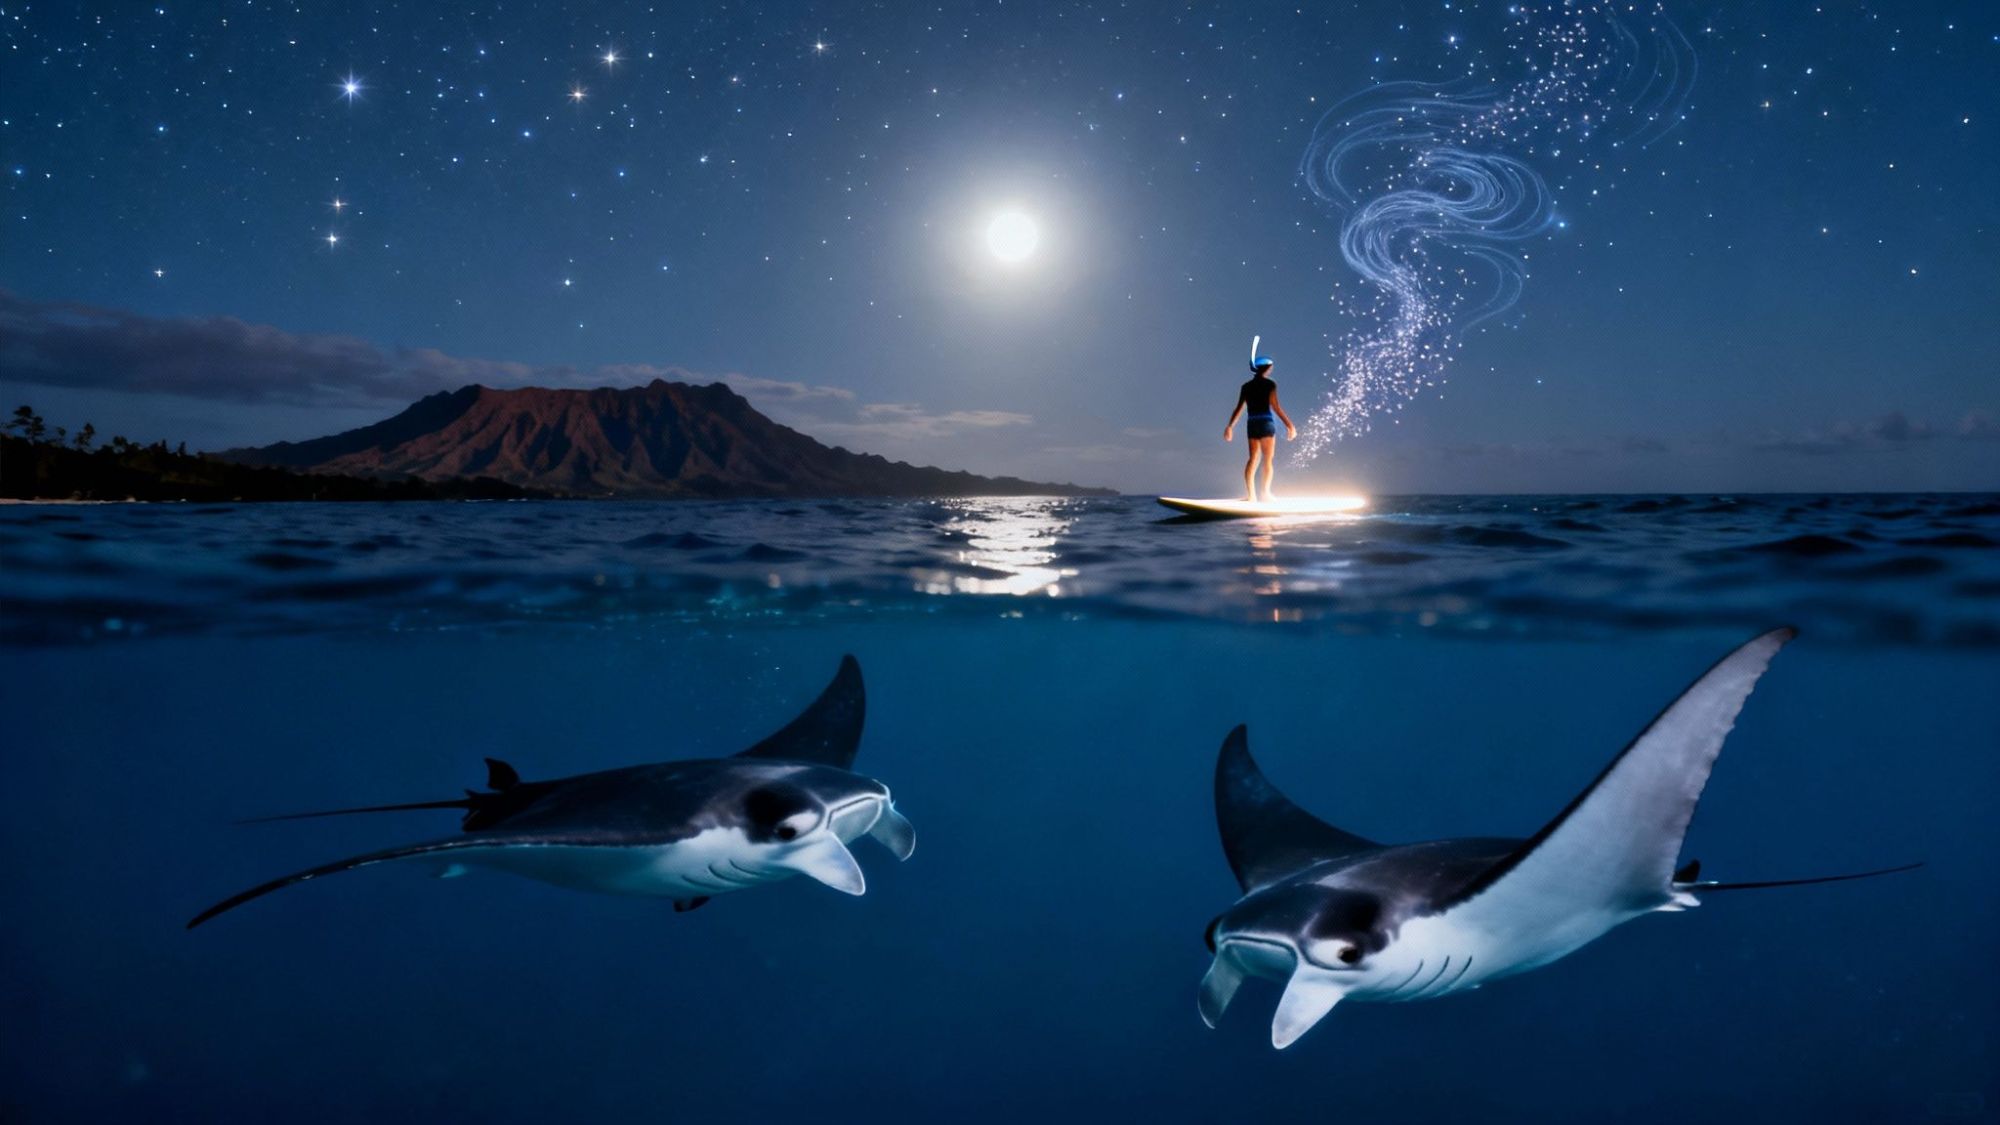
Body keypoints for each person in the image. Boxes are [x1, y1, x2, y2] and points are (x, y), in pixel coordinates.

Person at [1223, 352, 1297, 502]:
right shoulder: (1270, 385)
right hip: (1265, 423)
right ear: (1266, 368)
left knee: (1253, 459)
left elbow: (1239, 408)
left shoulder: (1246, 387)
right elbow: (1276, 407)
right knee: (1267, 459)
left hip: (1252, 424)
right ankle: (1265, 493)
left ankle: (1251, 495)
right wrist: (1290, 425)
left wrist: (1230, 426)